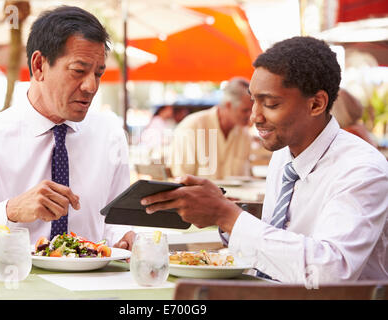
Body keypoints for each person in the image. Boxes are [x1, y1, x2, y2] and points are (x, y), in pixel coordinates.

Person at [141, 36, 388, 284]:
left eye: (270, 103)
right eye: (253, 101)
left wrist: (227, 216)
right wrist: (226, 213)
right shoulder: (284, 155)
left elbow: (330, 272)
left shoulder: (361, 169)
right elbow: (282, 240)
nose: (254, 117)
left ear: (316, 104)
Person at [0, 6, 134, 259]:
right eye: (78, 71)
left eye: (98, 73)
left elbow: (115, 220)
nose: (91, 86)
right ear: (39, 65)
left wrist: (124, 236)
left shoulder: (109, 136)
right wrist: (9, 212)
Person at [169, 77, 253, 180]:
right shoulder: (192, 127)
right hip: (199, 196)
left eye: (252, 110)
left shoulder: (244, 134)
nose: (251, 116)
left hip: (236, 196)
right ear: (228, 105)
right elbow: (181, 178)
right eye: (245, 110)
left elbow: (247, 177)